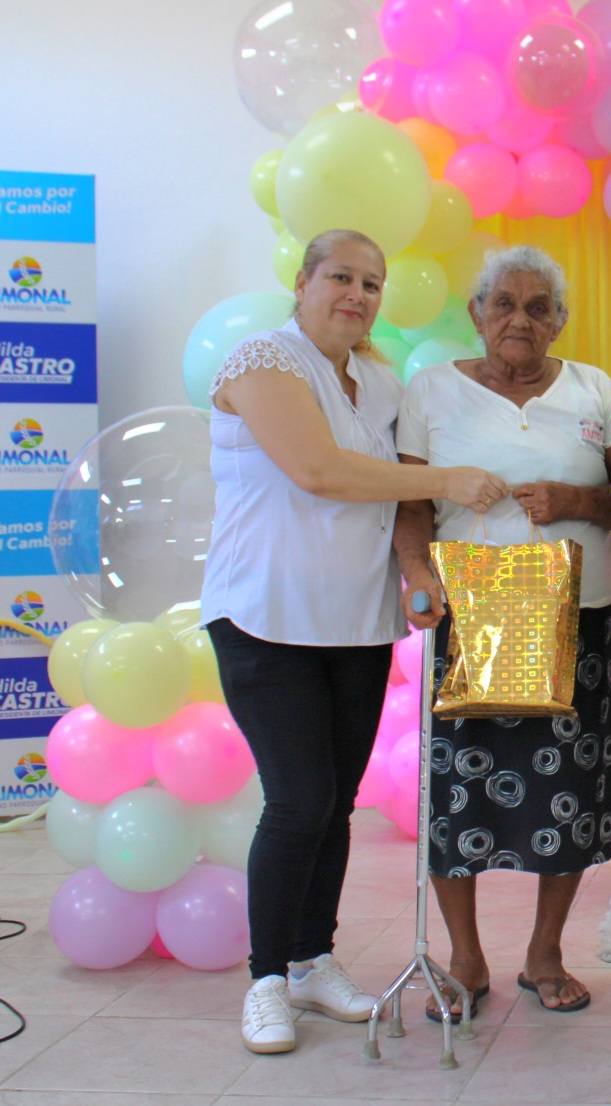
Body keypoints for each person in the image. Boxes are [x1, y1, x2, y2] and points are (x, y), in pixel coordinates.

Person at [201, 228, 507, 1054]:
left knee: (334, 802)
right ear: (303, 282)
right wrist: (447, 479)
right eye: (341, 277)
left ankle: (312, 959)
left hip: (355, 625)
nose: (358, 295)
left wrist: (418, 564)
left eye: (372, 284)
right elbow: (322, 471)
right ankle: (267, 980)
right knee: (298, 799)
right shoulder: (262, 362)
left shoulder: (378, 381)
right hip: (264, 618)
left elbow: (397, 495)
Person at [393, 245, 611, 1022]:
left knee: (572, 795)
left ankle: (544, 953)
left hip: (582, 617)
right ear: (476, 313)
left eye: (538, 307)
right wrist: (417, 574)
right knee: (457, 797)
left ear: (560, 320)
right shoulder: (431, 390)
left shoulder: (595, 389)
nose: (519, 320)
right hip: (473, 619)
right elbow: (410, 501)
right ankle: (465, 957)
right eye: (503, 304)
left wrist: (575, 500)